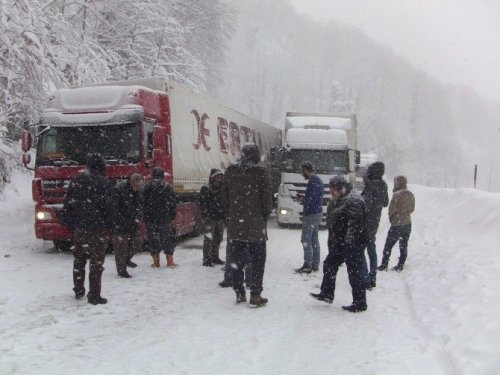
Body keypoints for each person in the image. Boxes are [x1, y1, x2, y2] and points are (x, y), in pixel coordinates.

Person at [222, 143, 273, 306]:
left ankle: (239, 293)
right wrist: (263, 216)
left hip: (236, 226)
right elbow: (267, 200)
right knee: (257, 261)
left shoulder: (231, 171)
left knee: (237, 260)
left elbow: (224, 198)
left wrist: (231, 215)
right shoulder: (260, 171)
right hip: (255, 226)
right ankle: (255, 295)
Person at [310, 176, 369, 312]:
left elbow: (354, 226)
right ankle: (327, 293)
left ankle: (360, 303)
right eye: (331, 190)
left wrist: (349, 245)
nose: (333, 193)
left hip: (353, 243)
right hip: (341, 242)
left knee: (354, 272)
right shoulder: (340, 200)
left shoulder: (353, 201)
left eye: (335, 190)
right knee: (329, 264)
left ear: (342, 188)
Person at [61, 153, 112, 305]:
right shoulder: (104, 183)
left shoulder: (76, 181)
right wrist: (109, 226)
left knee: (79, 260)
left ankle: (78, 289)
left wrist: (72, 224)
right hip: (98, 228)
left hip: (80, 228)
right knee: (96, 263)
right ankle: (94, 295)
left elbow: (68, 205)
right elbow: (109, 208)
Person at [109, 173, 144, 278]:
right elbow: (113, 207)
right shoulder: (119, 189)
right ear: (131, 183)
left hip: (132, 221)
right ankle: (122, 271)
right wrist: (118, 221)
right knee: (121, 246)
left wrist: (138, 217)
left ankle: (127, 259)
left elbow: (140, 204)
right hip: (119, 222)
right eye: (136, 187)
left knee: (138, 241)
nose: (137, 189)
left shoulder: (139, 190)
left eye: (140, 187)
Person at [378, 176, 415, 272]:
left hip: (397, 224)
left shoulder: (397, 195)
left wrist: (393, 218)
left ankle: (384, 264)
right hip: (407, 223)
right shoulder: (410, 194)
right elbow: (412, 208)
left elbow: (391, 210)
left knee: (388, 245)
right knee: (403, 245)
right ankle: (400, 265)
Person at [361, 162, 389, 287]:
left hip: (364, 222)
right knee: (371, 249)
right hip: (375, 222)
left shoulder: (370, 185)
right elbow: (385, 203)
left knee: (360, 251)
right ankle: (373, 276)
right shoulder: (383, 185)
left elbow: (366, 204)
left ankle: (365, 278)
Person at [143, 167, 178, 268]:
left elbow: (143, 203)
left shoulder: (147, 186)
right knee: (167, 239)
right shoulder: (168, 186)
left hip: (150, 218)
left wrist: (145, 216)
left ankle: (156, 262)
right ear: (163, 176)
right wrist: (172, 217)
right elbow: (172, 204)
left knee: (153, 239)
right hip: (164, 218)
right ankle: (170, 262)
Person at [295, 161, 324, 274]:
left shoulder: (312, 181)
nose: (302, 174)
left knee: (306, 239)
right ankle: (315, 264)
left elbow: (311, 199)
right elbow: (314, 197)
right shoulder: (318, 180)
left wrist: (303, 200)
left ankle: (307, 265)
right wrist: (304, 198)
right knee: (314, 239)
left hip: (311, 214)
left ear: (306, 170)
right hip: (317, 213)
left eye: (302, 171)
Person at [200, 169, 226, 267]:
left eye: (220, 176)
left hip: (220, 217)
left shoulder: (223, 187)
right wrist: (205, 213)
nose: (220, 178)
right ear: (213, 177)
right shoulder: (206, 188)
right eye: (217, 176)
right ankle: (207, 259)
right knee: (208, 239)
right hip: (210, 217)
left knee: (218, 238)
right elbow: (202, 203)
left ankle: (215, 257)